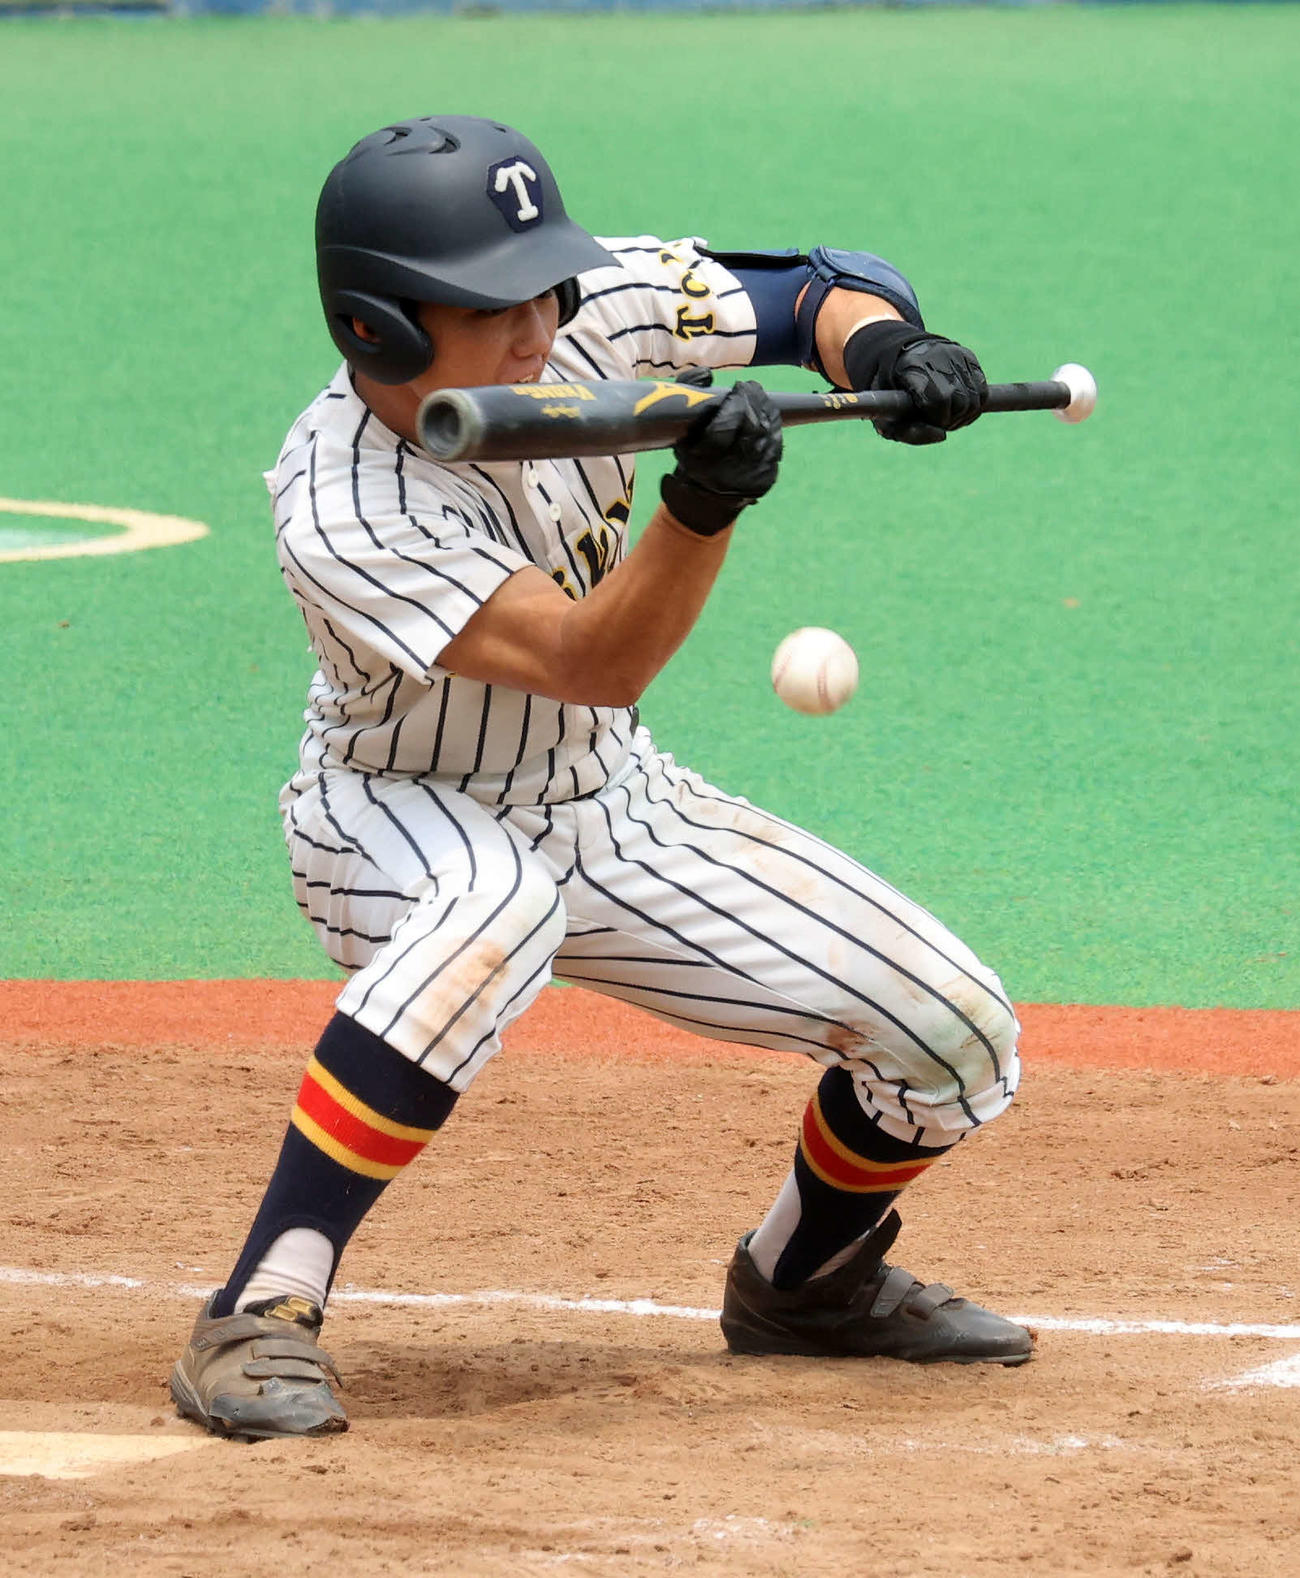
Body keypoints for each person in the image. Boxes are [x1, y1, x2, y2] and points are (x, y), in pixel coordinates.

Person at [170, 114, 1031, 1441]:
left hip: (610, 803)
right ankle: (261, 1304)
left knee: (956, 1027)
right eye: (489, 301)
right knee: (492, 905)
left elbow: (814, 288)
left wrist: (892, 352)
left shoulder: (597, 311)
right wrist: (704, 504)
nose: (539, 324)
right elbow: (593, 657)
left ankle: (805, 1283)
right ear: (379, 328)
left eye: (547, 283)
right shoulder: (342, 499)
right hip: (396, 811)